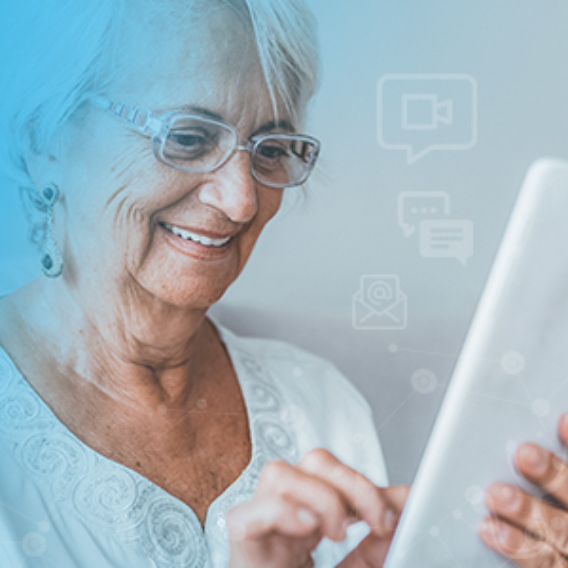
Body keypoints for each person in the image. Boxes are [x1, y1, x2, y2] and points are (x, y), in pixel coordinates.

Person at [0, 0, 408, 566]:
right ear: (44, 140)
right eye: (188, 137)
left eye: (270, 149)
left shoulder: (319, 403)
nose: (241, 200)